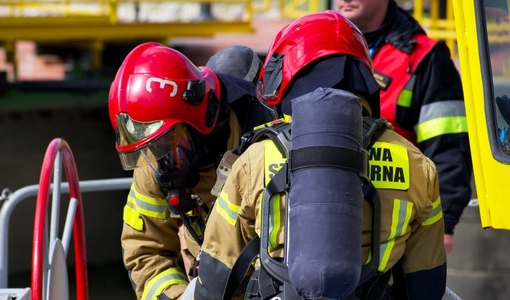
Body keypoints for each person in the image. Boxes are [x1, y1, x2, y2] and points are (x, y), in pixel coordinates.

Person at [188, 11, 446, 299]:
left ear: (287, 74)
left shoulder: (256, 159)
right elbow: (427, 285)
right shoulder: (416, 165)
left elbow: (215, 277)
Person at [108, 42, 273, 299]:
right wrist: (174, 296)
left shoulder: (265, 150)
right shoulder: (154, 155)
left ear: (199, 122)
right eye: (152, 148)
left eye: (168, 143)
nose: (160, 158)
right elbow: (145, 251)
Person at [336, 0, 472, 254]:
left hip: (396, 226)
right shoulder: (316, 45)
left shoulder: (425, 58)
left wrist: (445, 224)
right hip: (324, 212)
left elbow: (448, 148)